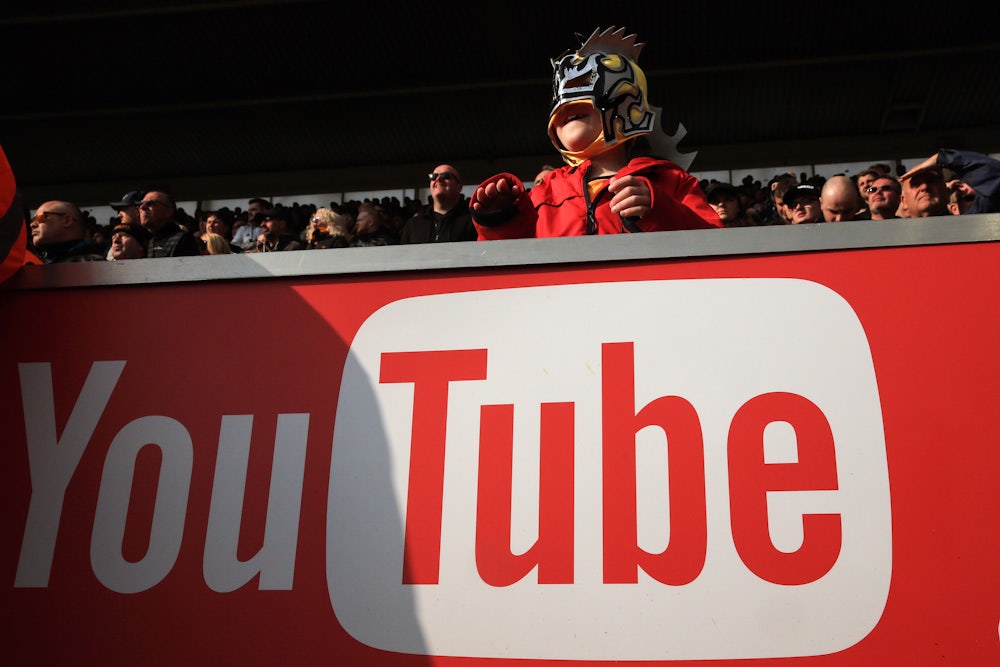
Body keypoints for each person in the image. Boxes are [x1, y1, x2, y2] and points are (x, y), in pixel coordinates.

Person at [470, 27, 721, 239]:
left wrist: (659, 208)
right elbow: (508, 262)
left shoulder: (670, 181)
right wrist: (499, 220)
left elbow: (715, 245)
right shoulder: (543, 192)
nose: (568, 105)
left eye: (584, 86)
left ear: (627, 103)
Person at [902, 149, 1000, 215]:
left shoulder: (971, 225)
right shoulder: (895, 235)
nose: (924, 187)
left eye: (931, 181)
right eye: (915, 184)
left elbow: (995, 178)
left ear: (947, 192)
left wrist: (942, 158)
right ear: (904, 201)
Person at [400, 165, 477, 243]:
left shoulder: (473, 221)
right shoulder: (414, 223)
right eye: (433, 176)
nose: (438, 179)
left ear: (459, 187)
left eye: (446, 175)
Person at [29, 200, 106, 263]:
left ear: (67, 220)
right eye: (33, 220)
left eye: (41, 217)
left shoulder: (94, 266)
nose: (32, 224)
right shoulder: (37, 262)